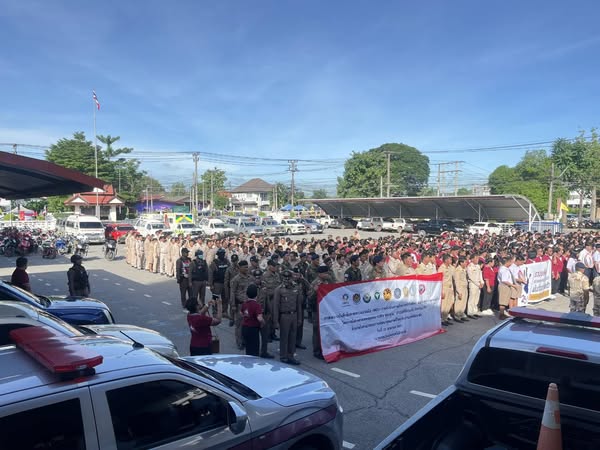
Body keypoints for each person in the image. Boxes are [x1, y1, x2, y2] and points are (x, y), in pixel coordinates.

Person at [273, 270, 303, 365]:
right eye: (285, 278)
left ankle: (291, 355)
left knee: (293, 337)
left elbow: (299, 305)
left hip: (294, 315)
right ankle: (283, 356)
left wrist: (299, 318)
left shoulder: (296, 288)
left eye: (288, 278)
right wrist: (275, 321)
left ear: (291, 278)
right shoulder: (279, 290)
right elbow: (276, 306)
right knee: (284, 337)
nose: (286, 280)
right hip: (284, 316)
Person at [309, 265, 330, 360]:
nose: (327, 274)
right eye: (325, 273)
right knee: (317, 330)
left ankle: (324, 349)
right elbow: (309, 297)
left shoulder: (326, 282)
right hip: (316, 309)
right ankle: (317, 351)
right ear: (320, 274)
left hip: (325, 309)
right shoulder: (315, 283)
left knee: (324, 330)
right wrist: (315, 291)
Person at [230, 260, 251, 349]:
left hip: (249, 304)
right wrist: (233, 305)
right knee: (239, 325)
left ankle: (245, 340)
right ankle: (239, 342)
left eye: (247, 267)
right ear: (240, 268)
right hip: (240, 305)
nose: (246, 269)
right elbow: (232, 293)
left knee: (247, 324)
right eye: (245, 267)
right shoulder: (236, 279)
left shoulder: (250, 277)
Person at [241, 284, 264, 356]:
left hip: (245, 328)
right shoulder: (257, 305)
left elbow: (241, 313)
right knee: (254, 350)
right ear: (256, 294)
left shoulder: (244, 304)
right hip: (253, 329)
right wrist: (263, 323)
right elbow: (259, 318)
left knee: (248, 349)